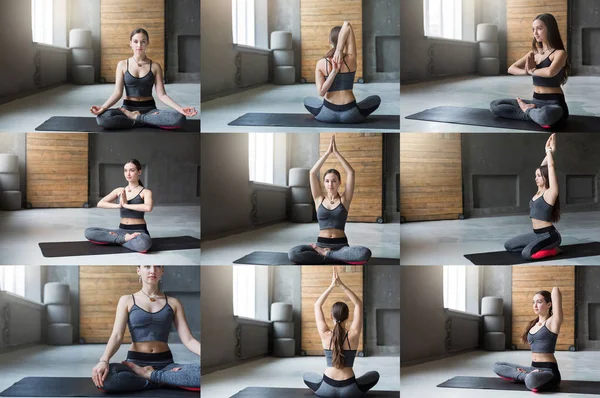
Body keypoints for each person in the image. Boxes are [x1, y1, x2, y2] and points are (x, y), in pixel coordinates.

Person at [91, 266, 200, 393]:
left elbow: (189, 340)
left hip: (165, 364)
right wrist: (103, 360)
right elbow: (117, 335)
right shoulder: (126, 300)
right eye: (147, 266)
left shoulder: (173, 302)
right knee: (107, 378)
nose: (152, 270)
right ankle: (164, 380)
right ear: (138, 270)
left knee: (201, 373)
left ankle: (152, 376)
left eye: (157, 266)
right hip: (135, 364)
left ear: (162, 271)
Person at [90, 28, 197, 129]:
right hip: (127, 109)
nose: (139, 45)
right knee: (102, 118)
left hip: (149, 110)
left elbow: (162, 95)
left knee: (179, 118)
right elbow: (117, 93)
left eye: (143, 41)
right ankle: (146, 121)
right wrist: (103, 108)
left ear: (147, 43)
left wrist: (180, 109)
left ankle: (137, 118)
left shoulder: (155, 66)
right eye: (135, 41)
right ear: (130, 43)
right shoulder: (122, 65)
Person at [288, 135, 371, 264]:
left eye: (334, 181)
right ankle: (327, 255)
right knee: (293, 253)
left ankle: (327, 255)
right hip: (320, 244)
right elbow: (312, 173)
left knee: (364, 253)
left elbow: (351, 173)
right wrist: (327, 153)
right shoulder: (318, 199)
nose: (330, 184)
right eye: (327, 181)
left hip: (341, 246)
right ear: (324, 183)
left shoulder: (344, 200)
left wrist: (336, 153)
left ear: (339, 183)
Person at [303, 267, 379, 397]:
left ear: (331, 317)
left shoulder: (325, 334)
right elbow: (358, 304)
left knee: (306, 376)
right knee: (374, 375)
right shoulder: (353, 334)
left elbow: (317, 305)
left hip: (326, 388)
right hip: (350, 390)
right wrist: (341, 285)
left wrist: (332, 285)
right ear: (348, 317)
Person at [490, 14, 570, 128]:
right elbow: (511, 68)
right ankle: (531, 113)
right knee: (495, 105)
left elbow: (550, 72)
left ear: (550, 29)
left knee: (547, 115)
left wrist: (532, 70)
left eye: (539, 28)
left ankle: (528, 112)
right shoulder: (535, 52)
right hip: (535, 102)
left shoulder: (559, 53)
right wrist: (526, 72)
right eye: (533, 29)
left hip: (553, 104)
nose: (535, 33)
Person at [303, 21, 380, 123]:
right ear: (345, 41)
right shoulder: (351, 59)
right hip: (351, 114)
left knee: (307, 101)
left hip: (327, 114)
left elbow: (321, 92)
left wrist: (334, 72)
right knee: (375, 99)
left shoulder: (321, 63)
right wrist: (339, 50)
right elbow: (347, 25)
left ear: (329, 41)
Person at [493, 287, 562, 392]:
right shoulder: (533, 325)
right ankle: (526, 375)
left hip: (548, 372)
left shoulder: (552, 322)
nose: (535, 305)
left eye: (539, 302)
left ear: (549, 304)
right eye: (533, 302)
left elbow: (556, 291)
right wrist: (530, 372)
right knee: (497, 366)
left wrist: (554, 286)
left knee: (531, 380)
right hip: (533, 368)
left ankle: (526, 376)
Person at [504, 134, 561, 260]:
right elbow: (543, 167)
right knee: (509, 246)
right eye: (535, 176)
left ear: (545, 177)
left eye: (539, 176)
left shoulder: (550, 192)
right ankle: (537, 246)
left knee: (526, 254)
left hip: (549, 236)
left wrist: (549, 151)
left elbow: (550, 167)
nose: (536, 178)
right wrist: (550, 151)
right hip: (536, 234)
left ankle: (553, 250)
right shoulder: (538, 191)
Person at [84, 159, 153, 253]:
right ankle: (123, 239)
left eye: (132, 170)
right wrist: (119, 205)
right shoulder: (119, 190)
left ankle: (117, 240)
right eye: (125, 170)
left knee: (144, 243)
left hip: (138, 231)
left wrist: (126, 205)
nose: (128, 174)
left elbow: (148, 207)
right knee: (89, 232)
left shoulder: (145, 192)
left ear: (139, 172)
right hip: (122, 230)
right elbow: (100, 203)